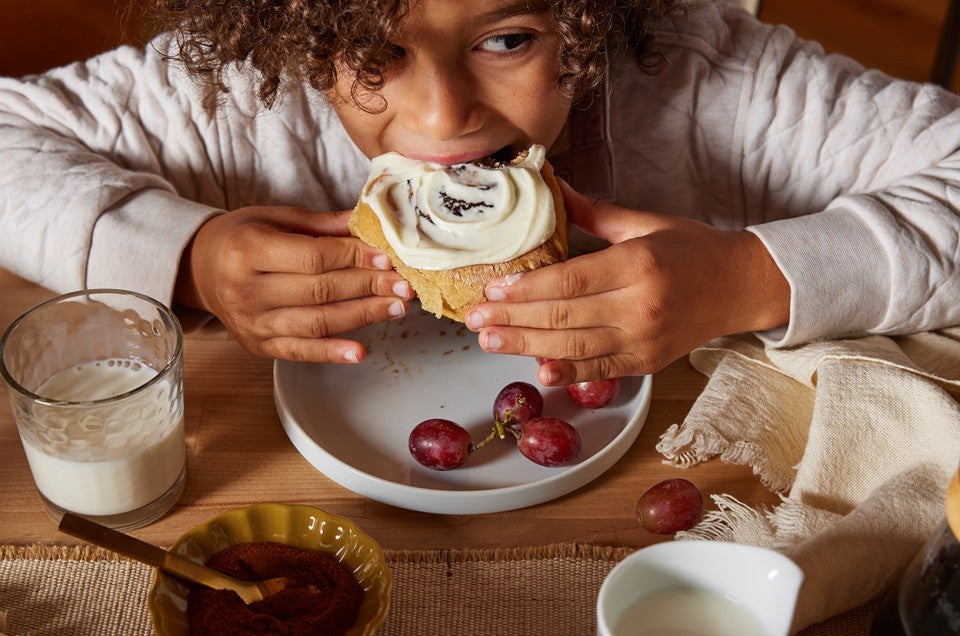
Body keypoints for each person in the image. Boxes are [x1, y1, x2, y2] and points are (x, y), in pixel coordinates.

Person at [0, 0, 957, 388]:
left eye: (508, 40)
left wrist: (746, 279)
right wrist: (188, 258)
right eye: (372, 51)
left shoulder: (703, 73)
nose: (443, 114)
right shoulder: (232, 93)